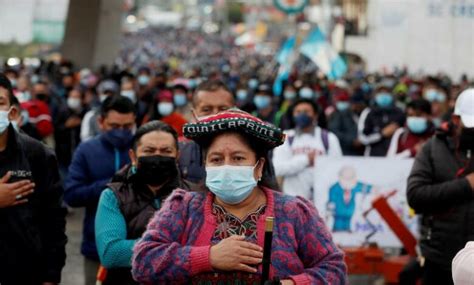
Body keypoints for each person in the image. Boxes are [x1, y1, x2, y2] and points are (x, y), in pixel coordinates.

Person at [131, 109, 347, 284]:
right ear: (206, 165)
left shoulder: (294, 212)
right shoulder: (182, 207)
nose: (226, 166)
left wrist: (291, 284)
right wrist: (209, 257)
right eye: (216, 159)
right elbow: (143, 263)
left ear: (259, 166)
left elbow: (333, 270)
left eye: (238, 158)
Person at [95, 121, 193, 285]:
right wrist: (179, 249)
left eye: (165, 151)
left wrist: (142, 248)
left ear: (177, 155)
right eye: (149, 151)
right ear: (133, 156)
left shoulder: (194, 195)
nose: (157, 156)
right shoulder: (114, 195)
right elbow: (111, 253)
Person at [0, 73, 67, 285]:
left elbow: (53, 220)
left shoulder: (37, 154)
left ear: (11, 111)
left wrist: (51, 275)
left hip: (24, 272)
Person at [65, 96, 136, 285]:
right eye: (114, 126)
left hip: (138, 247)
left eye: (127, 127)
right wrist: (112, 185)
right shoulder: (87, 150)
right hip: (97, 248)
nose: (121, 132)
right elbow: (72, 194)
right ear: (101, 122)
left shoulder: (143, 148)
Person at [407, 88, 474, 285]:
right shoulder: (432, 149)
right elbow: (416, 196)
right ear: (455, 120)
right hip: (439, 258)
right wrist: (466, 185)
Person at [273, 99, 343, 200]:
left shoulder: (328, 138)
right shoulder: (286, 137)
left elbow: (337, 168)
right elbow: (278, 169)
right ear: (293, 115)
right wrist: (306, 160)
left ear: (315, 115)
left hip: (322, 201)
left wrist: (318, 163)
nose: (302, 115)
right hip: (293, 201)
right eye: (298, 112)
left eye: (306, 111)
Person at [178, 80, 235, 183]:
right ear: (194, 113)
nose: (215, 115)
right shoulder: (180, 151)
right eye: (207, 109)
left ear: (234, 111)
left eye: (222, 109)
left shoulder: (251, 151)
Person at [358, 84, 406, 156]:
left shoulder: (399, 112)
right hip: (373, 156)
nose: (384, 95)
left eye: (387, 92)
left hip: (394, 156)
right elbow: (362, 138)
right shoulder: (368, 112)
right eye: (380, 92)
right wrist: (381, 134)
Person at [328, 91, 364, 156]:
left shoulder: (355, 114)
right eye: (341, 101)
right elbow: (334, 131)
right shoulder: (336, 115)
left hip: (357, 150)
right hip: (344, 150)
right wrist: (352, 141)